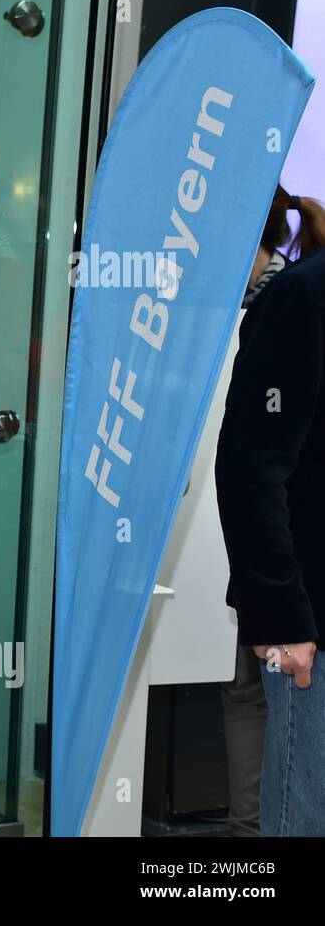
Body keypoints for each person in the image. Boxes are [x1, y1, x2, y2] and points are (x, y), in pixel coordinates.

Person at [215, 190, 325, 838]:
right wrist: (282, 618)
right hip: (308, 623)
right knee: (303, 816)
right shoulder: (302, 297)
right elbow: (252, 468)